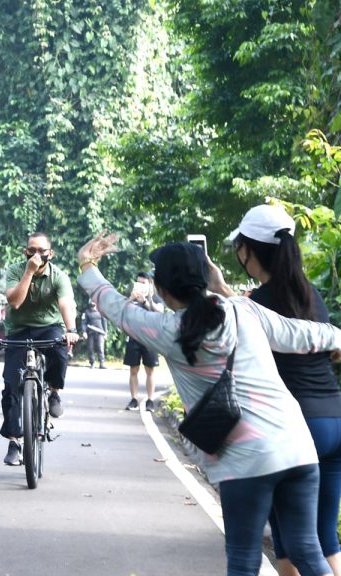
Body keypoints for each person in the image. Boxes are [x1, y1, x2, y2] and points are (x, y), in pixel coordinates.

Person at [77, 233, 340, 576]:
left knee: (244, 560)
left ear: (161, 288)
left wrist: (87, 264)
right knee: (307, 550)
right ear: (204, 279)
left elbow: (116, 307)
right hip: (297, 447)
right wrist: (337, 338)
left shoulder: (166, 329)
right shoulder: (243, 309)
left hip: (245, 462)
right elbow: (302, 334)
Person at [225, 204, 341, 576]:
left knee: (290, 540)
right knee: (325, 536)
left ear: (248, 250)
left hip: (295, 428)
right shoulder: (311, 295)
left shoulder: (257, 304)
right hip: (335, 419)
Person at [1, 232, 79, 466]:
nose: (36, 255)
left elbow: (66, 303)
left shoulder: (59, 276)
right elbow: (15, 301)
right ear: (25, 251)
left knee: (59, 351)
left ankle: (54, 390)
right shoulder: (16, 270)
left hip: (49, 327)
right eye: (31, 250)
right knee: (10, 384)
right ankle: (14, 440)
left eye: (41, 251)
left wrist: (71, 329)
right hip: (18, 329)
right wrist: (29, 272)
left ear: (50, 254)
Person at [123, 271, 164, 412]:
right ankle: (133, 399)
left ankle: (150, 400)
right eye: (138, 282)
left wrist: (146, 301)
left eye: (143, 283)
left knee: (150, 370)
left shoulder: (156, 297)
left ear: (150, 284)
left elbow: (159, 312)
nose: (140, 285)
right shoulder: (132, 297)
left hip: (150, 339)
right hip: (134, 337)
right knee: (133, 370)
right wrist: (130, 299)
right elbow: (123, 312)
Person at [83, 301, 108, 369]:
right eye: (91, 302)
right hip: (90, 333)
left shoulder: (101, 311)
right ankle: (92, 363)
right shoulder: (86, 312)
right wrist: (84, 332)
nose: (93, 303)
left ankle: (102, 363)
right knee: (90, 348)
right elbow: (84, 323)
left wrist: (106, 333)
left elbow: (104, 322)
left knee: (100, 348)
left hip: (100, 333)